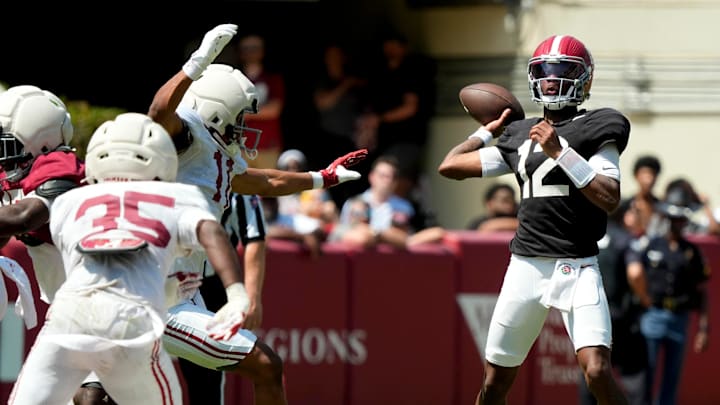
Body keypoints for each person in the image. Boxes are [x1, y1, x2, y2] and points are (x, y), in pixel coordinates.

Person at [75, 23, 367, 405]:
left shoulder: (220, 156)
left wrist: (322, 178)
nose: (244, 125)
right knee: (264, 364)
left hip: (181, 294)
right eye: (240, 115)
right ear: (218, 109)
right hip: (150, 296)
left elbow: (266, 181)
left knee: (99, 396)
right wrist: (196, 63)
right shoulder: (190, 136)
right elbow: (159, 110)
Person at [437, 34, 631, 405]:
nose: (551, 80)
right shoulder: (517, 135)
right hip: (526, 266)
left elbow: (609, 197)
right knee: (494, 383)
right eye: (544, 71)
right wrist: (484, 133)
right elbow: (450, 166)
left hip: (577, 265)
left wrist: (559, 152)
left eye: (563, 71)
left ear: (584, 80)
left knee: (597, 371)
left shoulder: (600, 125)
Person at [9, 112, 244, 404]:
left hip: (68, 320)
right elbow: (211, 233)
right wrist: (236, 293)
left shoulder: (71, 201)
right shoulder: (179, 197)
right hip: (132, 322)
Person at [179, 192, 269, 405]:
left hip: (212, 284)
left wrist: (253, 296)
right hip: (169, 280)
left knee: (207, 370)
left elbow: (254, 238)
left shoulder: (238, 184)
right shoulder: (172, 174)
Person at [627, 179, 711, 405]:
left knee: (671, 378)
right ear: (666, 218)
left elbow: (702, 290)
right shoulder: (652, 245)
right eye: (673, 218)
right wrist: (643, 301)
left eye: (681, 218)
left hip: (679, 318)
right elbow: (634, 274)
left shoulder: (691, 252)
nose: (677, 222)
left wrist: (703, 328)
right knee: (646, 372)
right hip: (652, 314)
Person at [577, 203, 649, 405]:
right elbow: (635, 273)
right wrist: (645, 299)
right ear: (624, 215)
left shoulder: (585, 236)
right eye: (634, 212)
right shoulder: (624, 239)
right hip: (621, 319)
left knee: (591, 372)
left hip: (590, 317)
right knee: (634, 378)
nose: (637, 216)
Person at [234, 33, 286, 170]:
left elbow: (274, 110)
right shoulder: (232, 80)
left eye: (255, 48)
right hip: (238, 147)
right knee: (240, 190)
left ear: (262, 51)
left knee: (267, 187)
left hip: (268, 145)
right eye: (246, 48)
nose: (250, 52)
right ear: (240, 52)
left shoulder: (273, 79)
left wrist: (242, 113)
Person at [619, 155, 662, 237]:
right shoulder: (624, 206)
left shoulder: (661, 208)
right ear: (636, 175)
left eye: (652, 173)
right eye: (644, 173)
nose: (648, 179)